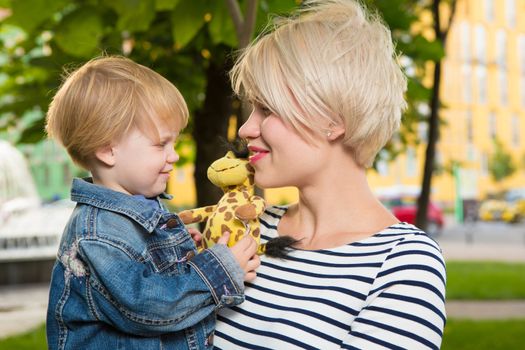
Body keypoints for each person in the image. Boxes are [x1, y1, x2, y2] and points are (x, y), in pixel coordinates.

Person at [213, 0, 447, 349]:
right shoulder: (243, 230)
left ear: (333, 120)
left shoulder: (402, 263)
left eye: (267, 109)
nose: (246, 129)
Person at [45, 56, 260, 350]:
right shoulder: (97, 235)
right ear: (108, 150)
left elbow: (153, 274)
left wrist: (182, 254)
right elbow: (149, 307)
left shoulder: (140, 209)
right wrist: (221, 271)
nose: (173, 155)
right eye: (161, 144)